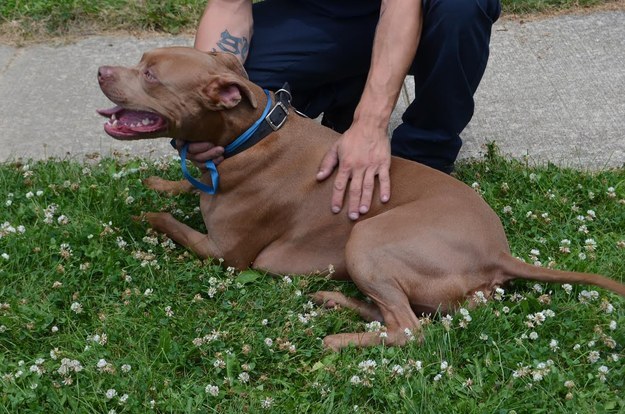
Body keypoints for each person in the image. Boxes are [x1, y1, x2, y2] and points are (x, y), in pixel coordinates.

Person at [175, 0, 501, 220]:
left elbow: (401, 8)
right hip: (319, 16)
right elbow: (228, 6)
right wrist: (204, 112)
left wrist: (370, 126)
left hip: (416, 13)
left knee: (463, 6)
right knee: (243, 98)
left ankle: (423, 157)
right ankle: (344, 97)